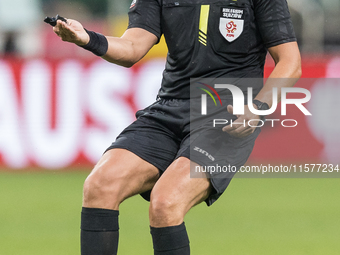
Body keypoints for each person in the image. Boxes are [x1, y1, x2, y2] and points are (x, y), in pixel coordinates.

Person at [51, 0, 301, 254]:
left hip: (225, 117)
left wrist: (258, 106)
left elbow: (290, 62)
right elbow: (132, 47)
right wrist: (87, 39)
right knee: (99, 186)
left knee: (165, 202)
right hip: (169, 108)